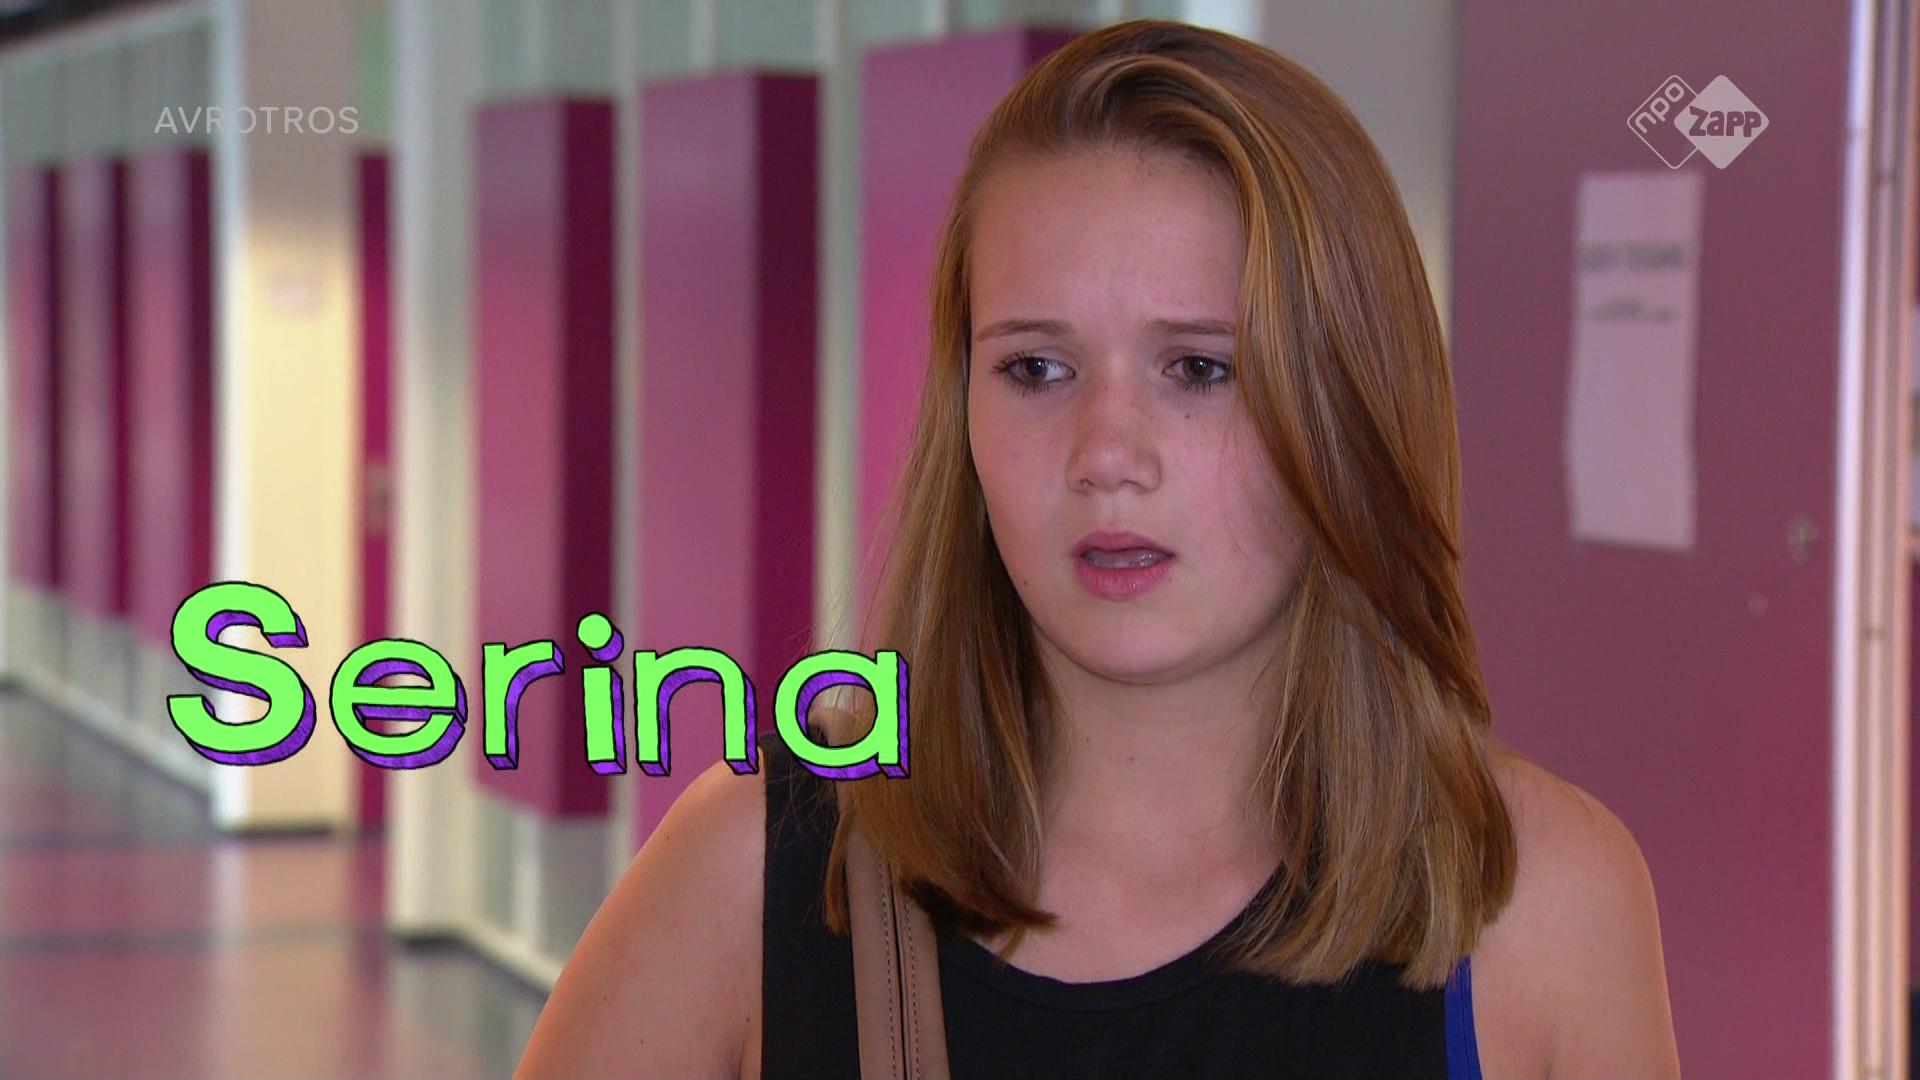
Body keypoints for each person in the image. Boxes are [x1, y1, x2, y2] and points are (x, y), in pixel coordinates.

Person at [516, 18, 1681, 1079]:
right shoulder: (757, 869)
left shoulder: (1539, 905)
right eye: (1037, 368)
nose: (1106, 454)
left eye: (1200, 369)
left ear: (1348, 409)